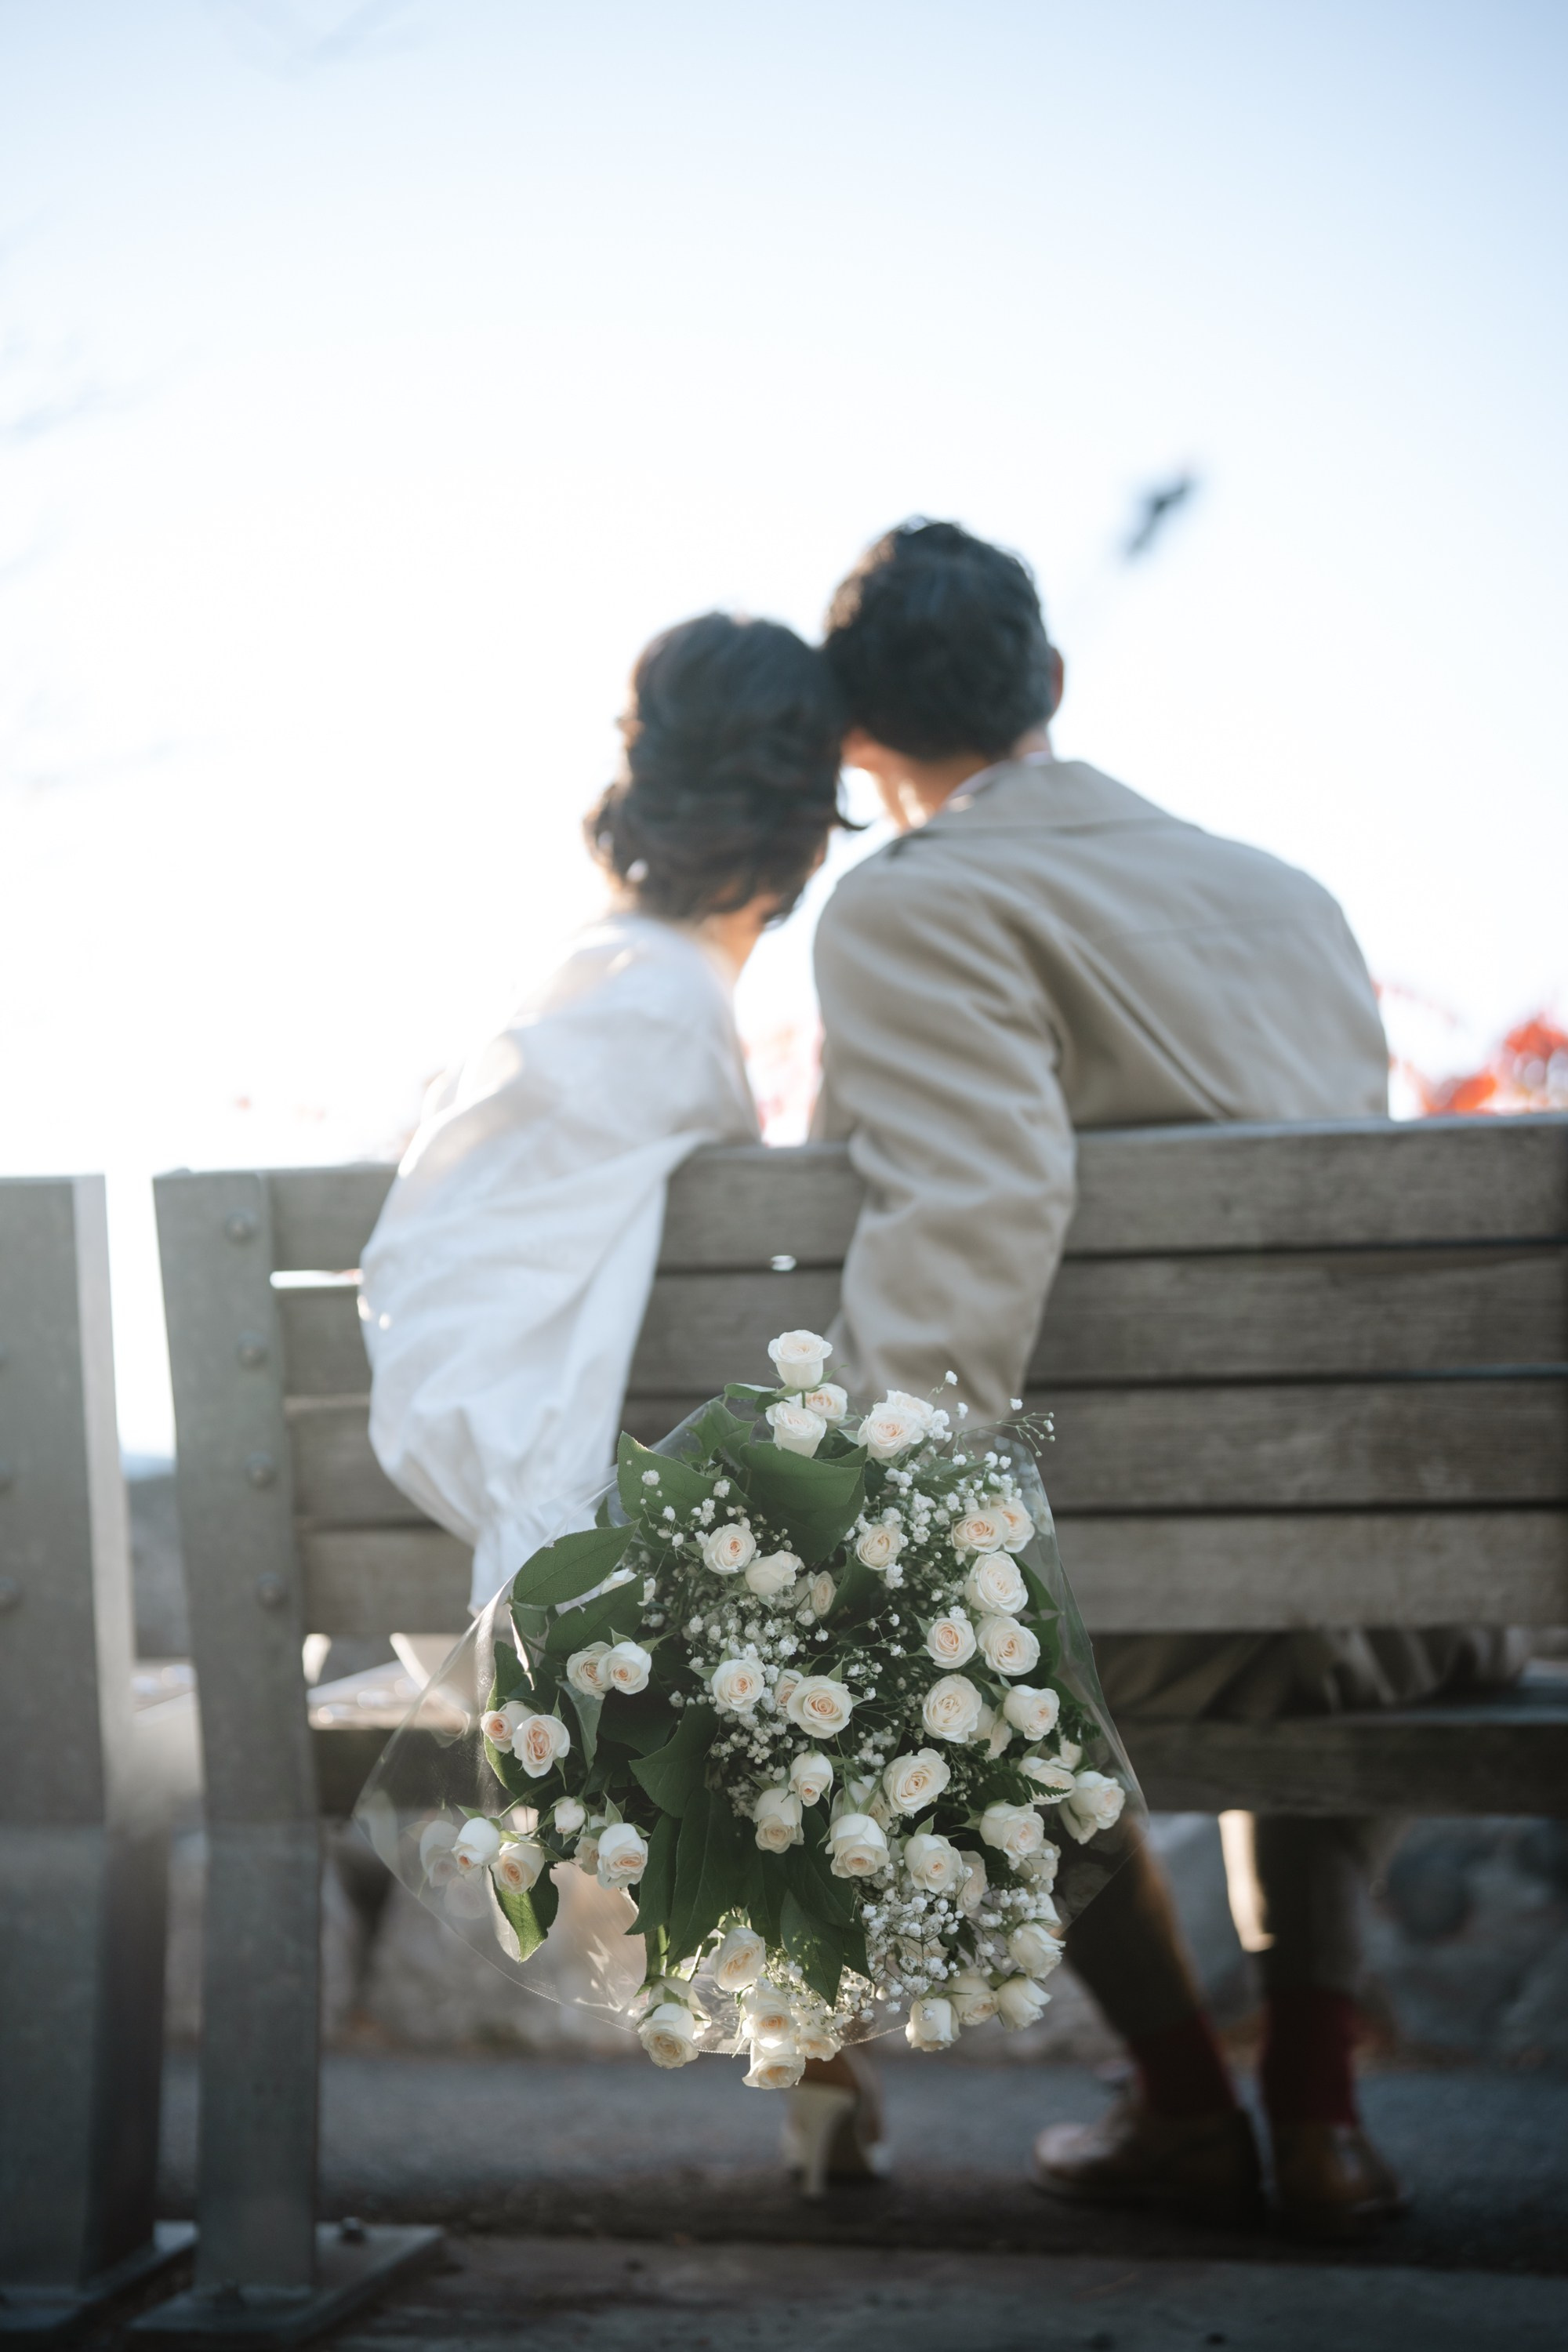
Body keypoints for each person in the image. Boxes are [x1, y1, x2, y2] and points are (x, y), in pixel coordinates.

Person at [808, 518, 1525, 2236]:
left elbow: (969, 1225)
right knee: (1280, 1565)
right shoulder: (1289, 896)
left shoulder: (914, 908)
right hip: (1409, 1594)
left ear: (852, 739)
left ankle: (1191, 2104)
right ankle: (1321, 2111)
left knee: (982, 1637)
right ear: (1051, 683)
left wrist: (873, 1547)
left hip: (1145, 1596)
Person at [361, 611, 851, 1611]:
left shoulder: (578, 991)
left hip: (414, 1563)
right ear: (807, 830)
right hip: (597, 1587)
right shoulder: (664, 1012)